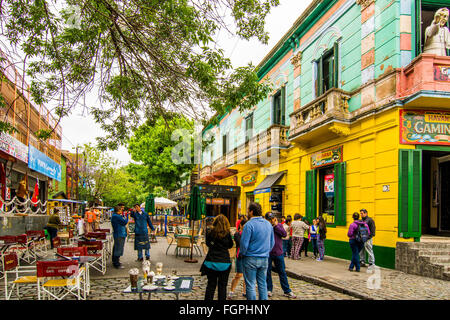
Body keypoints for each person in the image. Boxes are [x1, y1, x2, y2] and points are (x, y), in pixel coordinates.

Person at [239, 202, 274, 300]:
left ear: (251, 211)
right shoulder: (268, 224)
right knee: (262, 284)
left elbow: (244, 244)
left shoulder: (249, 225)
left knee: (250, 284)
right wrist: (266, 252)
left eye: (248, 211)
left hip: (250, 257)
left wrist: (242, 254)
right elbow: (272, 243)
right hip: (264, 258)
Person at [200, 214, 234, 300]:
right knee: (222, 287)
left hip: (211, 262)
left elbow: (208, 244)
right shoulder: (227, 233)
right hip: (224, 263)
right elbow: (230, 245)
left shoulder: (210, 232)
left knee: (211, 286)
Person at [265, 212, 297, 299]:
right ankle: (269, 289)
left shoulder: (278, 225)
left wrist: (276, 226)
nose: (271, 220)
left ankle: (287, 290)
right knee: (267, 272)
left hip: (278, 252)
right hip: (268, 253)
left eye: (272, 218)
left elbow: (284, 234)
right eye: (269, 219)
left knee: (282, 272)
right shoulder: (265, 226)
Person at [228, 216, 248, 299]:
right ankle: (232, 290)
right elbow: (240, 243)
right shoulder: (237, 234)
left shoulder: (248, 234)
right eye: (245, 225)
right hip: (240, 256)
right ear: (241, 226)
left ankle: (245, 291)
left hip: (248, 256)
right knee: (239, 275)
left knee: (247, 276)